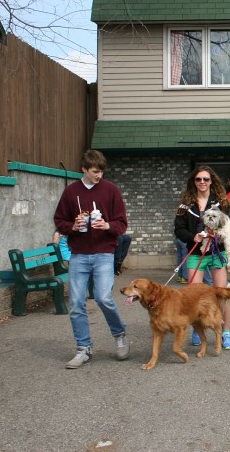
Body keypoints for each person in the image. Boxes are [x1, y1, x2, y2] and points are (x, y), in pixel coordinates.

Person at [53, 149, 130, 369]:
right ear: (84, 169)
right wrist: (72, 227)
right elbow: (59, 220)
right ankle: (83, 348)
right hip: (78, 254)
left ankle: (119, 335)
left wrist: (107, 225)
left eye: (101, 171)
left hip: (104, 253)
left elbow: (122, 223)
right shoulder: (71, 192)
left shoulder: (111, 190)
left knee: (103, 297)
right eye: (95, 172)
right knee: (76, 303)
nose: (99, 176)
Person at [174, 165, 230, 349]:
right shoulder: (185, 205)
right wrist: (192, 236)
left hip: (217, 253)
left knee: (221, 294)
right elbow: (178, 229)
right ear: (193, 182)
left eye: (205, 179)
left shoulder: (222, 202)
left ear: (211, 181)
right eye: (198, 179)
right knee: (194, 296)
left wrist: (220, 232)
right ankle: (198, 329)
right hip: (196, 254)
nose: (202, 182)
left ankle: (225, 332)